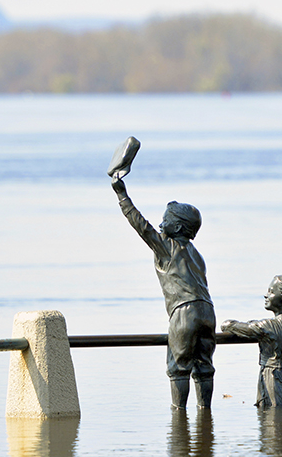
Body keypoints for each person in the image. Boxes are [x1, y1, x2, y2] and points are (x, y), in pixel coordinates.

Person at [112, 175, 216, 409]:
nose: (160, 226)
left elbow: (142, 227)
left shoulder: (166, 246)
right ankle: (205, 417)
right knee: (204, 367)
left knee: (178, 369)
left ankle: (179, 421)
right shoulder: (196, 254)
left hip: (184, 312)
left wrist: (122, 195)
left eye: (164, 221)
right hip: (208, 311)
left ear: (177, 227)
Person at [221, 275, 282, 407]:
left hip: (276, 382)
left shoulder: (268, 326)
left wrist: (231, 324)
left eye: (271, 291)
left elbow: (229, 325)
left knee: (273, 423)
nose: (266, 295)